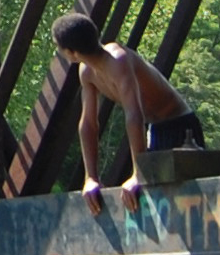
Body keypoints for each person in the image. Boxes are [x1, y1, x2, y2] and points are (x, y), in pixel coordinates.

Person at [58, 12, 208, 212]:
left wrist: (139, 174)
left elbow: (133, 114)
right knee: (155, 205)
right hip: (154, 128)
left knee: (188, 203)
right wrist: (91, 178)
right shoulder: (86, 72)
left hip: (179, 124)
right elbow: (88, 124)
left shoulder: (117, 59)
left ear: (71, 52)